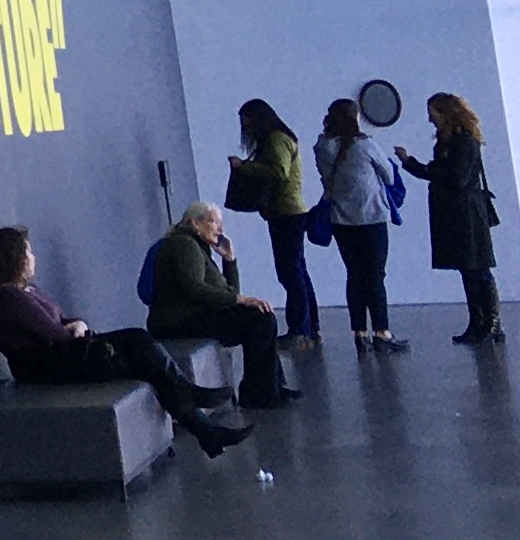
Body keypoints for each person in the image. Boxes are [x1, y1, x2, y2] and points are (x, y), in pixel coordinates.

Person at [0, 227, 247, 454]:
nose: (33, 258)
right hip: (50, 365)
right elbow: (57, 332)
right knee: (141, 352)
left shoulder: (27, 291)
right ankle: (199, 416)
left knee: (141, 347)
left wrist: (77, 324)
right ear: (16, 258)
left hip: (66, 354)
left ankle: (205, 429)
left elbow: (63, 321)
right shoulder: (9, 298)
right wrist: (75, 327)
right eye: (28, 252)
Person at [144, 203, 290, 402]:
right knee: (260, 320)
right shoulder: (184, 245)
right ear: (195, 223)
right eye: (214, 222)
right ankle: (259, 392)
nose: (220, 229)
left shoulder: (198, 247)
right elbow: (194, 289)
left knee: (261, 316)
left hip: (192, 317)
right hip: (179, 322)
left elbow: (228, 293)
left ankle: (271, 387)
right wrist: (240, 299)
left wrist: (229, 260)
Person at [399, 92, 505, 345]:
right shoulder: (452, 142)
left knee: (477, 268)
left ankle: (489, 323)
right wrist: (414, 164)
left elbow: (458, 177)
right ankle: (481, 322)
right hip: (458, 212)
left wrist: (421, 166)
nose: (430, 119)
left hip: (466, 213)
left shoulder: (463, 142)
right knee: (470, 268)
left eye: (433, 113)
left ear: (445, 113)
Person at [317, 97, 403, 351]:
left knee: (354, 275)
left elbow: (326, 179)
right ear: (355, 118)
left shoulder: (322, 147)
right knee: (375, 275)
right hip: (371, 217)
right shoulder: (365, 145)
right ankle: (382, 333)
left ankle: (359, 333)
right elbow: (388, 175)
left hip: (341, 219)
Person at [230, 98, 317, 352]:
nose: (246, 127)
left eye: (248, 121)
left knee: (290, 272)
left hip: (285, 212)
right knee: (298, 271)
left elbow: (279, 170)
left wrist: (244, 166)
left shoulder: (275, 139)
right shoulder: (283, 137)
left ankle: (299, 330)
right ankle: (309, 328)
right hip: (291, 212)